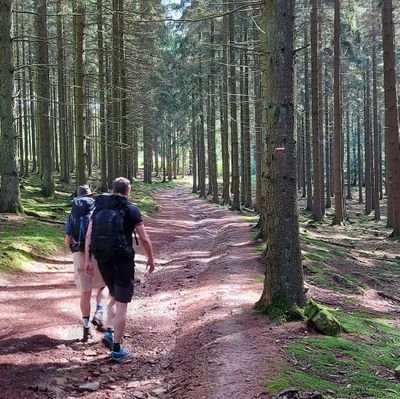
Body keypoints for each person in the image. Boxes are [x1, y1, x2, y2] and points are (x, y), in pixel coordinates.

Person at [85, 177, 155, 362]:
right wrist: (150, 258)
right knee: (122, 303)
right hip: (123, 260)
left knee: (114, 295)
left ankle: (109, 330)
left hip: (102, 258)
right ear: (127, 190)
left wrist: (88, 260)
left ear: (113, 189)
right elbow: (145, 239)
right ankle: (117, 349)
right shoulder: (131, 209)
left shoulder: (99, 207)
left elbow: (88, 236)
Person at [65, 185, 106, 341]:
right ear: (91, 196)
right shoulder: (98, 212)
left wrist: (75, 251)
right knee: (103, 286)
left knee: (85, 293)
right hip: (98, 254)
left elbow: (68, 239)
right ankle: (100, 312)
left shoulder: (72, 214)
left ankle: (86, 328)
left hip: (80, 255)